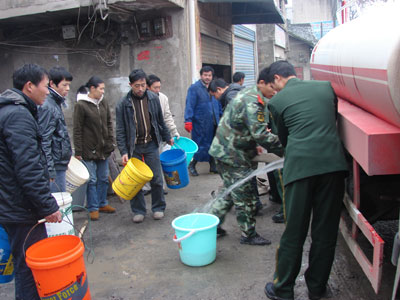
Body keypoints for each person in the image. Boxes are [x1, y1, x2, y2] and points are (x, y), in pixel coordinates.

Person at [263, 61, 348, 300]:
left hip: (300, 170)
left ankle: (283, 290)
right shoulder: (325, 87)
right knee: (325, 231)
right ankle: (317, 288)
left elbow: (285, 138)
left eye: (274, 85)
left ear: (278, 78)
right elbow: (331, 120)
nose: (275, 90)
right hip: (333, 167)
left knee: (294, 232)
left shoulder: (276, 102)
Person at [0, 64, 62, 300]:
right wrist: (48, 206)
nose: (48, 92)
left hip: (10, 203)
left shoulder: (9, 110)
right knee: (30, 267)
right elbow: (28, 169)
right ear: (29, 86)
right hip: (20, 208)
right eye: (45, 86)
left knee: (23, 263)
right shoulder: (17, 116)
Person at [208, 67, 283, 246]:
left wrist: (252, 143)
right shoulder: (253, 101)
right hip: (233, 155)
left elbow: (245, 128)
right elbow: (262, 135)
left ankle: (212, 226)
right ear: (262, 83)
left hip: (228, 150)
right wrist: (287, 146)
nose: (275, 92)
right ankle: (248, 234)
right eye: (272, 87)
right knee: (244, 196)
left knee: (229, 192)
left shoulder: (250, 93)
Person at [115, 69, 173, 223]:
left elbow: (160, 121)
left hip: (151, 144)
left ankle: (158, 207)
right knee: (135, 181)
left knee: (156, 178)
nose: (140, 89)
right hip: (133, 147)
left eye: (142, 85)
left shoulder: (153, 98)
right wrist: (123, 151)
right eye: (136, 86)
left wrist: (167, 137)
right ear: (130, 85)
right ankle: (138, 210)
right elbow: (120, 129)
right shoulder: (123, 104)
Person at [73, 76, 116, 221]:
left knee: (103, 178)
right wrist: (78, 151)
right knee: (92, 180)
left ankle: (102, 203)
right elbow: (77, 129)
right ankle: (93, 207)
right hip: (88, 149)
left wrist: (111, 141)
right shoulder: (81, 105)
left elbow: (109, 122)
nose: (103, 92)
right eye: (101, 89)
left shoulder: (102, 102)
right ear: (92, 89)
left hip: (104, 148)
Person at [142, 74, 180, 196]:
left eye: (159, 87)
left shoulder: (163, 98)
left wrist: (174, 131)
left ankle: (160, 187)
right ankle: (146, 187)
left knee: (159, 161)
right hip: (146, 137)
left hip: (160, 135)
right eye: (155, 88)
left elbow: (167, 116)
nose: (158, 90)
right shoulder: (142, 100)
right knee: (146, 163)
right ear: (148, 87)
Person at [38, 66, 73, 193]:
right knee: (59, 203)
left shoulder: (55, 103)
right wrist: (50, 170)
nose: (68, 89)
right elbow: (44, 140)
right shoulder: (48, 106)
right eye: (64, 85)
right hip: (54, 165)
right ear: (52, 84)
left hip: (59, 163)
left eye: (69, 85)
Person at [184, 66, 222, 176]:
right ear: (201, 76)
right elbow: (189, 104)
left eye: (209, 75)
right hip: (200, 122)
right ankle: (192, 165)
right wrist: (188, 120)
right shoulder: (194, 88)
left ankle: (212, 166)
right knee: (199, 144)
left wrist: (220, 115)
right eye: (205, 75)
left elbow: (218, 102)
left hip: (214, 121)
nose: (207, 77)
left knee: (213, 144)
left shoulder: (214, 87)